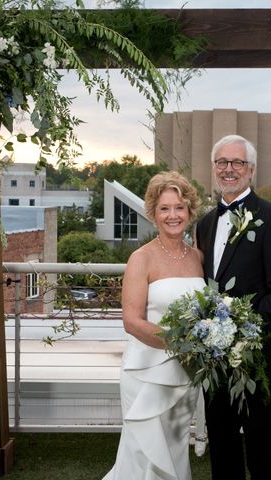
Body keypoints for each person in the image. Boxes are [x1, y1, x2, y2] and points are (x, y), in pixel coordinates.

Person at [195, 134, 271, 480]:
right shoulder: (205, 223)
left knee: (263, 450)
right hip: (215, 360)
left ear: (251, 170)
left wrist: (239, 331)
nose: (229, 169)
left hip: (259, 358)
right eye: (222, 162)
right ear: (214, 168)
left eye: (237, 163)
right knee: (222, 447)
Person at [103, 171, 203, 480]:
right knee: (142, 452)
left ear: (189, 211)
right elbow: (132, 322)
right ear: (153, 212)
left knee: (174, 449)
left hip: (187, 373)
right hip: (147, 372)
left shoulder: (199, 257)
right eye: (164, 208)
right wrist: (181, 342)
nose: (172, 215)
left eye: (179, 208)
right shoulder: (140, 259)